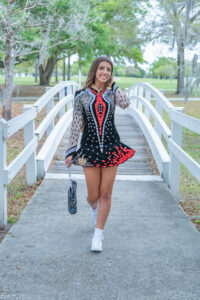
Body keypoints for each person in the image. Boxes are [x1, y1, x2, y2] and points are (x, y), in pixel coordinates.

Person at [65, 56, 136, 252]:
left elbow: (126, 103)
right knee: (93, 195)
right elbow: (76, 124)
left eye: (109, 70)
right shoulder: (81, 95)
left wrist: (114, 85)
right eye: (102, 68)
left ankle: (98, 234)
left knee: (106, 193)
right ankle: (94, 209)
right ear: (95, 70)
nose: (105, 72)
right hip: (87, 150)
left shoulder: (113, 93)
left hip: (112, 147)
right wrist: (70, 151)